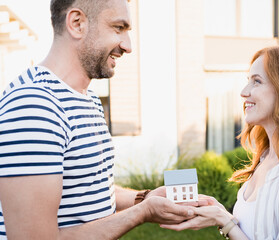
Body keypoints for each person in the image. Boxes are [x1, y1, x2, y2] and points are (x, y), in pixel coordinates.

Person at [0, 0, 206, 239]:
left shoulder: (90, 100)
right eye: (118, 28)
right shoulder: (34, 106)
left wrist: (145, 198)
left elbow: (89, 186)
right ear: (77, 23)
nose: (127, 46)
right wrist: (142, 212)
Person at [161, 46, 279, 239]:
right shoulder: (266, 160)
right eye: (248, 81)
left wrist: (226, 223)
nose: (244, 92)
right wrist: (221, 215)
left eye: (257, 82)